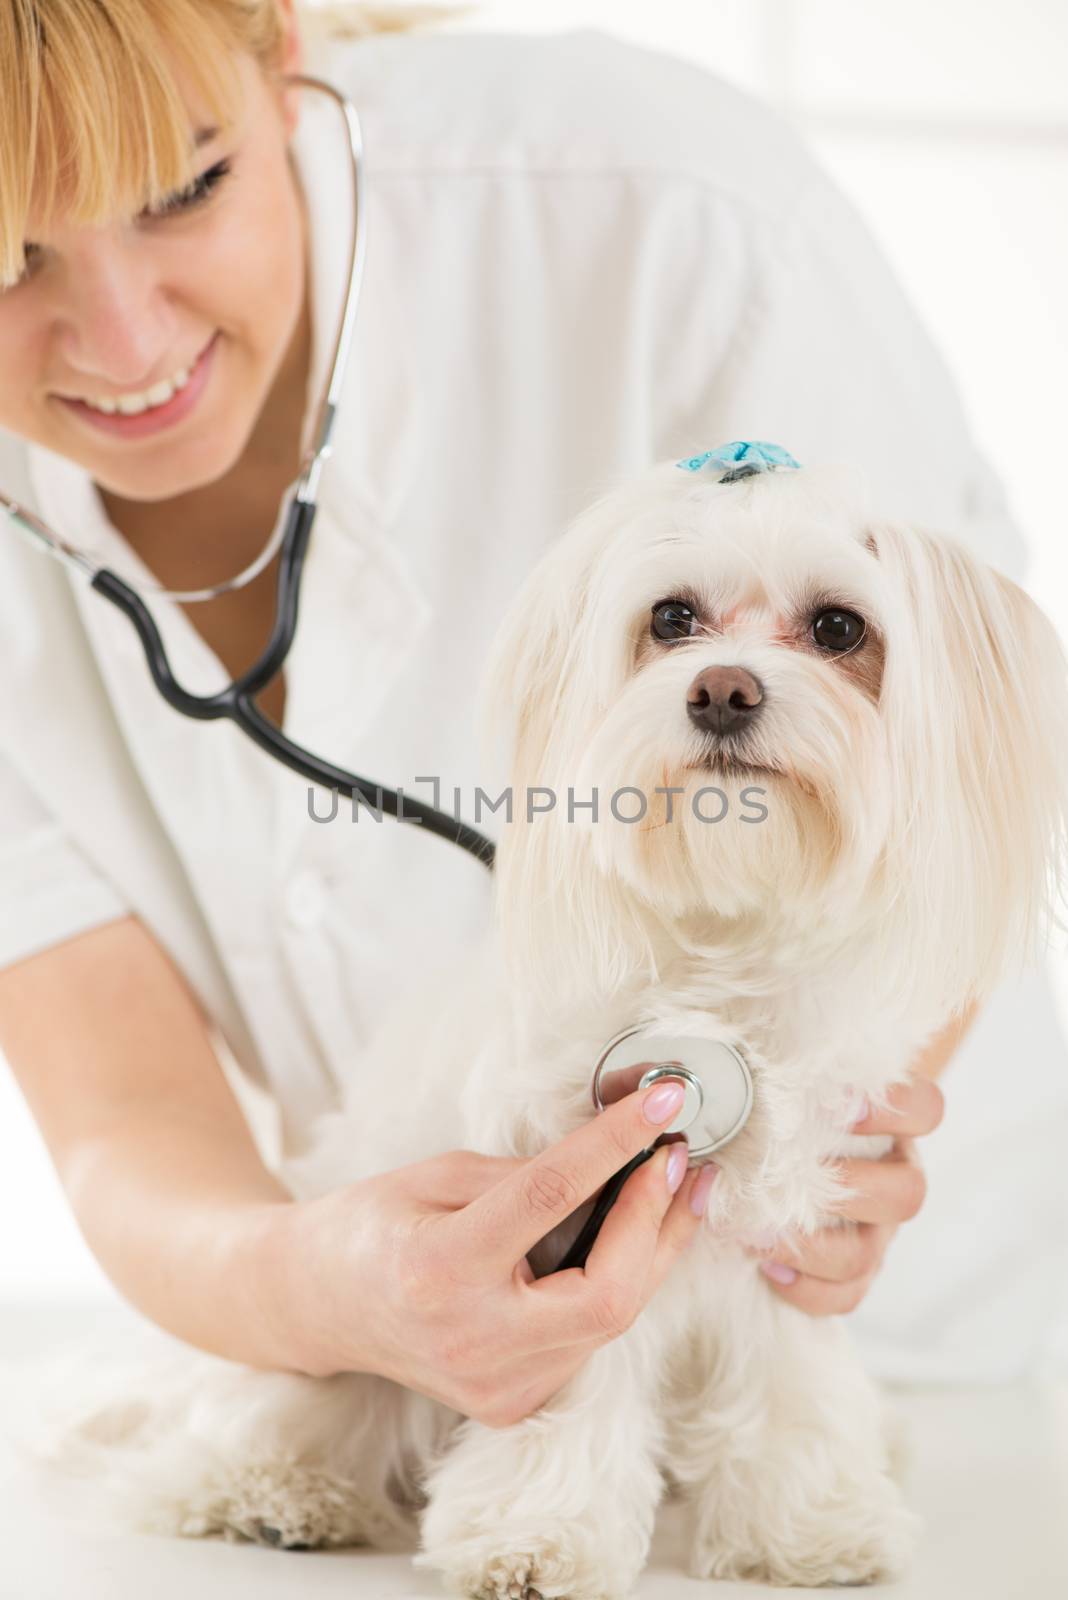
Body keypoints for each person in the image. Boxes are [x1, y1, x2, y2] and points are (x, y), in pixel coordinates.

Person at [0, 0, 1049, 1428]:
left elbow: (972, 740)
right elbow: (122, 1113)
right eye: (3, 256)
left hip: (916, 1364)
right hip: (402, 1412)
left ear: (286, 55)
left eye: (188, 187)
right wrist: (326, 1285)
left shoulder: (668, 212)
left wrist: (811, 1145)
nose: (124, 339)